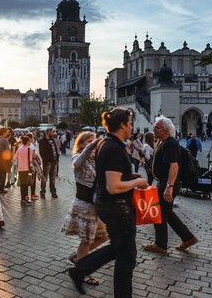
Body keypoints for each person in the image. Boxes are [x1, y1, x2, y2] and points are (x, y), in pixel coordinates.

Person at [68, 108, 148, 297]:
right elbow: (113, 186)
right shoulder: (113, 147)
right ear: (122, 125)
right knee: (126, 258)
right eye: (129, 123)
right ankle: (80, 270)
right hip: (117, 207)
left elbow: (109, 176)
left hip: (109, 206)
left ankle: (80, 270)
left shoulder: (107, 143)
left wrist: (128, 175)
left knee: (120, 250)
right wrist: (137, 182)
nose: (131, 127)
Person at [142, 116, 198, 254]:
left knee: (159, 213)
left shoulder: (169, 143)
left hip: (167, 182)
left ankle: (161, 244)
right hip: (164, 182)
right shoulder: (163, 142)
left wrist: (169, 187)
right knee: (168, 213)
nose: (153, 129)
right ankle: (188, 238)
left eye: (157, 127)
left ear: (166, 130)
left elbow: (174, 166)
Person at [62, 131, 108, 286]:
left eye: (93, 141)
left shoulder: (96, 159)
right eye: (88, 141)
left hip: (96, 205)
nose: (92, 144)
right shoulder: (77, 156)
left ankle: (78, 257)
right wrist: (92, 146)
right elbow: (76, 163)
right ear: (81, 144)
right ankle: (82, 272)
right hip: (85, 205)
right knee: (86, 241)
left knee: (104, 235)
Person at [38, 127, 61, 198]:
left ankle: (53, 191)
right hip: (47, 162)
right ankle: (43, 192)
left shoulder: (53, 140)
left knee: (53, 177)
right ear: (48, 132)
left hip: (54, 161)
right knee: (45, 177)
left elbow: (55, 150)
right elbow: (41, 152)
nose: (53, 133)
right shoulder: (42, 141)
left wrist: (57, 158)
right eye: (52, 132)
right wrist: (46, 160)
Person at [12, 135, 34, 205]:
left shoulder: (19, 148)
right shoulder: (29, 149)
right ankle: (25, 199)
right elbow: (30, 159)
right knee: (26, 184)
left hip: (20, 168)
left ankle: (22, 199)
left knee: (22, 184)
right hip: (26, 168)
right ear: (27, 141)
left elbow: (15, 157)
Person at [0, 127, 11, 194]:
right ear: (4, 133)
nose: (7, 134)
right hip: (3, 158)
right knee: (3, 173)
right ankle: (1, 188)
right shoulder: (5, 140)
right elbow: (7, 151)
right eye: (6, 132)